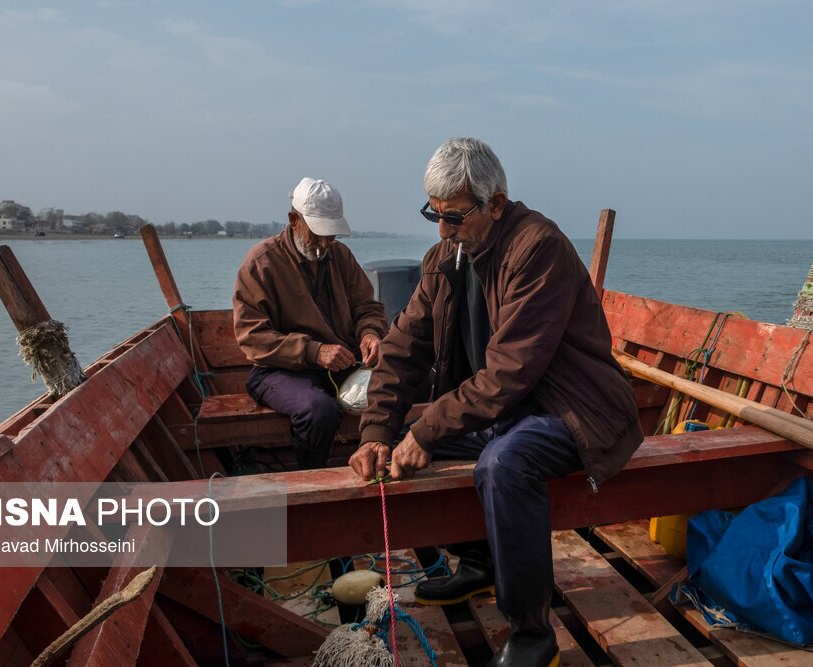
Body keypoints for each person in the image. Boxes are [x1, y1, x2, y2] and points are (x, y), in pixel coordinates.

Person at [350, 138, 644, 667]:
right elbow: (401, 349)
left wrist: (426, 429)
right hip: (505, 408)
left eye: (455, 217)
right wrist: (377, 432)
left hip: (573, 410)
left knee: (505, 463)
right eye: (434, 215)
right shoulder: (444, 257)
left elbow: (511, 370)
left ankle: (533, 634)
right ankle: (480, 561)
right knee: (409, 443)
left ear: (497, 204)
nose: (443, 230)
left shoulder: (539, 248)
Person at [234, 177, 389, 469]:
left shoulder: (341, 256)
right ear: (294, 220)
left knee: (407, 384)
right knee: (318, 410)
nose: (325, 242)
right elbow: (252, 337)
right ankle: (311, 476)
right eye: (318, 232)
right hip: (277, 371)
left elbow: (367, 308)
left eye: (332, 234)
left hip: (341, 367)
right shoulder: (260, 263)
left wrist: (370, 334)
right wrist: (314, 351)